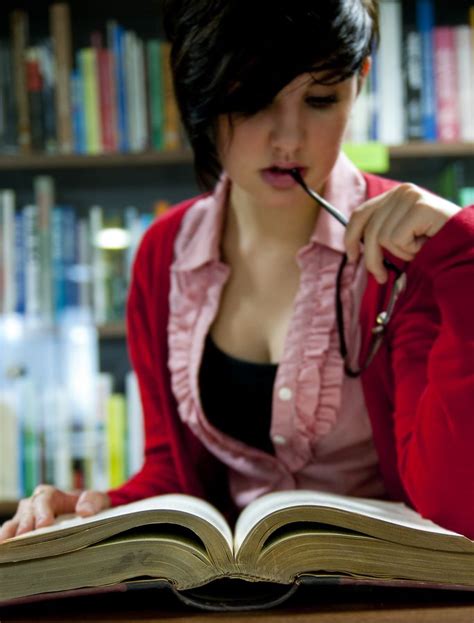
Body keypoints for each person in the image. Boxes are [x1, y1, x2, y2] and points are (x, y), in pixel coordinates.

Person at [1, 0, 474, 543]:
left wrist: (465, 255)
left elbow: (454, 501)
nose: (289, 140)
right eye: (252, 101)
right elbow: (173, 476)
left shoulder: (415, 250)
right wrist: (93, 508)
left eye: (321, 100)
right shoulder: (165, 255)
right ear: (200, 93)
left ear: (360, 80)